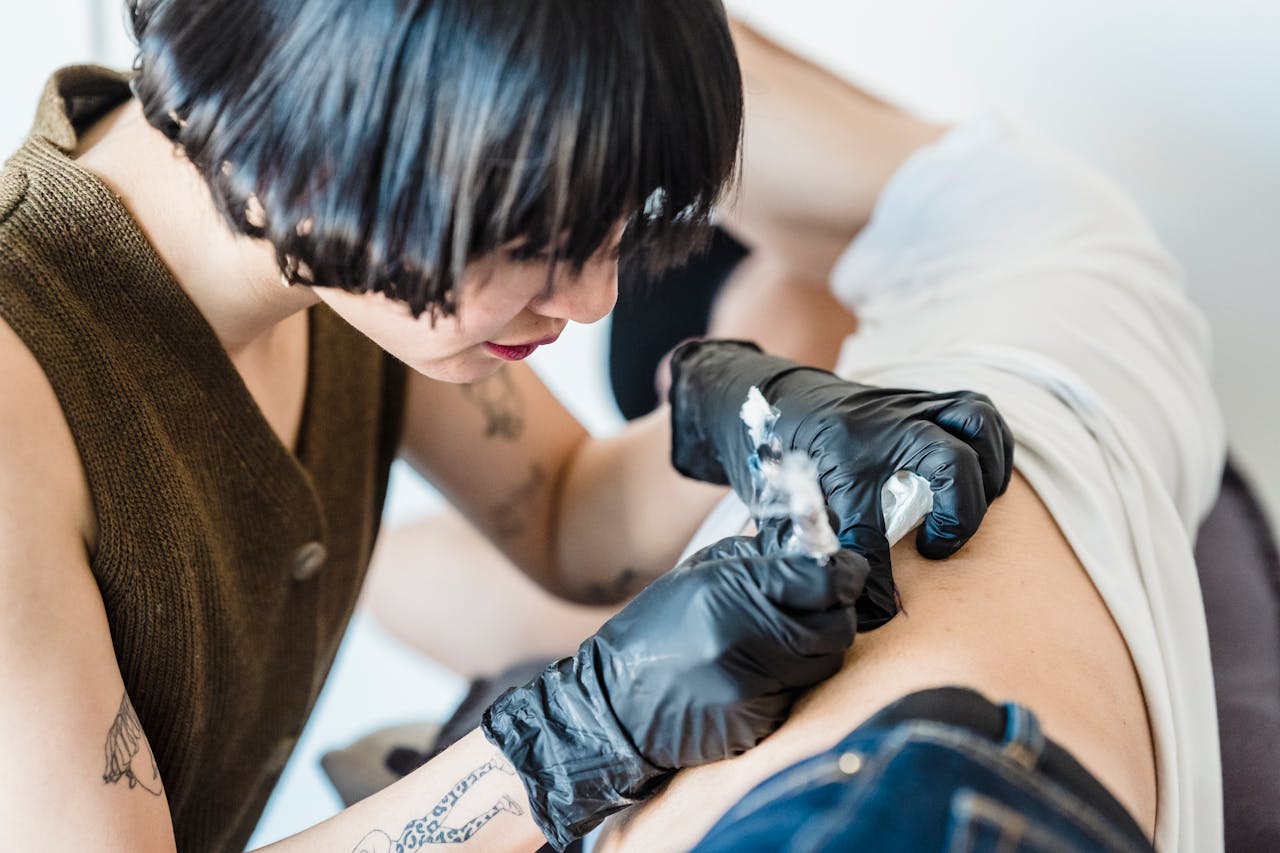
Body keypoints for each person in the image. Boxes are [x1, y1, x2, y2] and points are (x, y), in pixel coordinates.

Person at [0, 2, 1016, 851]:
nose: (593, 298)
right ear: (323, 159)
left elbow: (566, 513)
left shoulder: (336, 242)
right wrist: (571, 737)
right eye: (537, 238)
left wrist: (752, 414)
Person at [369, 20, 1225, 853]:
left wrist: (721, 413)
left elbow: (646, 48)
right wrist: (579, 724)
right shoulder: (1065, 284)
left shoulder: (1031, 260)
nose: (596, 298)